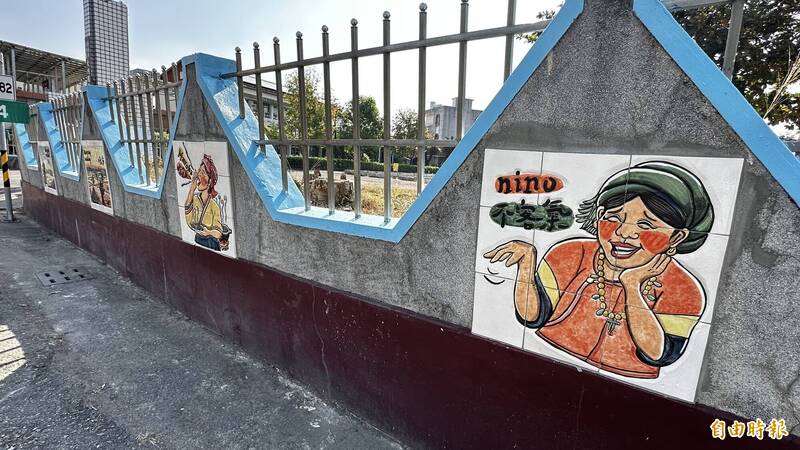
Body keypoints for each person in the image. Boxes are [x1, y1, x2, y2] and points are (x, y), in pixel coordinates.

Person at [483, 161, 714, 379]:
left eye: (645, 225)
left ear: (677, 237)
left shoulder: (684, 288)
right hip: (544, 363)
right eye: (614, 218)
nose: (624, 233)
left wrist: (632, 287)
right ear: (599, 216)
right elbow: (532, 317)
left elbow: (658, 354)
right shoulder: (570, 253)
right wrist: (526, 266)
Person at [184, 154, 224, 251]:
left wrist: (208, 232)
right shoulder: (195, 199)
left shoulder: (214, 206)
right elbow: (188, 217)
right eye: (199, 171)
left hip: (211, 244)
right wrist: (192, 189)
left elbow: (219, 233)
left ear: (210, 181)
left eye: (203, 172)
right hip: (197, 240)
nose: (199, 175)